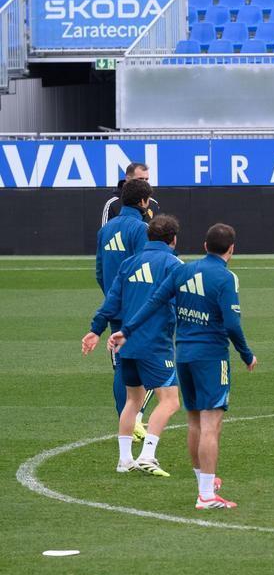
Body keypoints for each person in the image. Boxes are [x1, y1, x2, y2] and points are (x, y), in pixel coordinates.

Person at [110, 223, 256, 509]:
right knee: (211, 424)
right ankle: (206, 495)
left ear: (205, 246)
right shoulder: (226, 278)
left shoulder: (183, 270)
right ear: (232, 249)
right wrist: (246, 353)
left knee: (194, 422)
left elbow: (154, 301)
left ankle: (204, 483)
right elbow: (231, 323)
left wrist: (126, 330)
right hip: (211, 357)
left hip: (184, 356)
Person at [83, 215, 184, 476]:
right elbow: (183, 304)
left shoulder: (128, 263)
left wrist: (95, 330)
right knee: (170, 401)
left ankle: (124, 460)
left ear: (149, 236)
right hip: (155, 343)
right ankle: (147, 455)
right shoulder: (174, 264)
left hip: (125, 342)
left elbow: (112, 301)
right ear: (173, 239)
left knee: (132, 400)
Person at [95, 178, 153, 438]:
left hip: (115, 309)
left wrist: (112, 298)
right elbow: (146, 267)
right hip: (138, 309)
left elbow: (99, 271)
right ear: (143, 201)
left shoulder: (106, 230)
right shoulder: (141, 229)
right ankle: (135, 419)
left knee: (122, 365)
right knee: (151, 364)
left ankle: (126, 422)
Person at [101, 162, 161, 226]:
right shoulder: (112, 204)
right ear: (128, 178)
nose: (144, 182)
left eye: (146, 179)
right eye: (140, 179)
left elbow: (159, 230)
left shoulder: (153, 204)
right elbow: (106, 231)